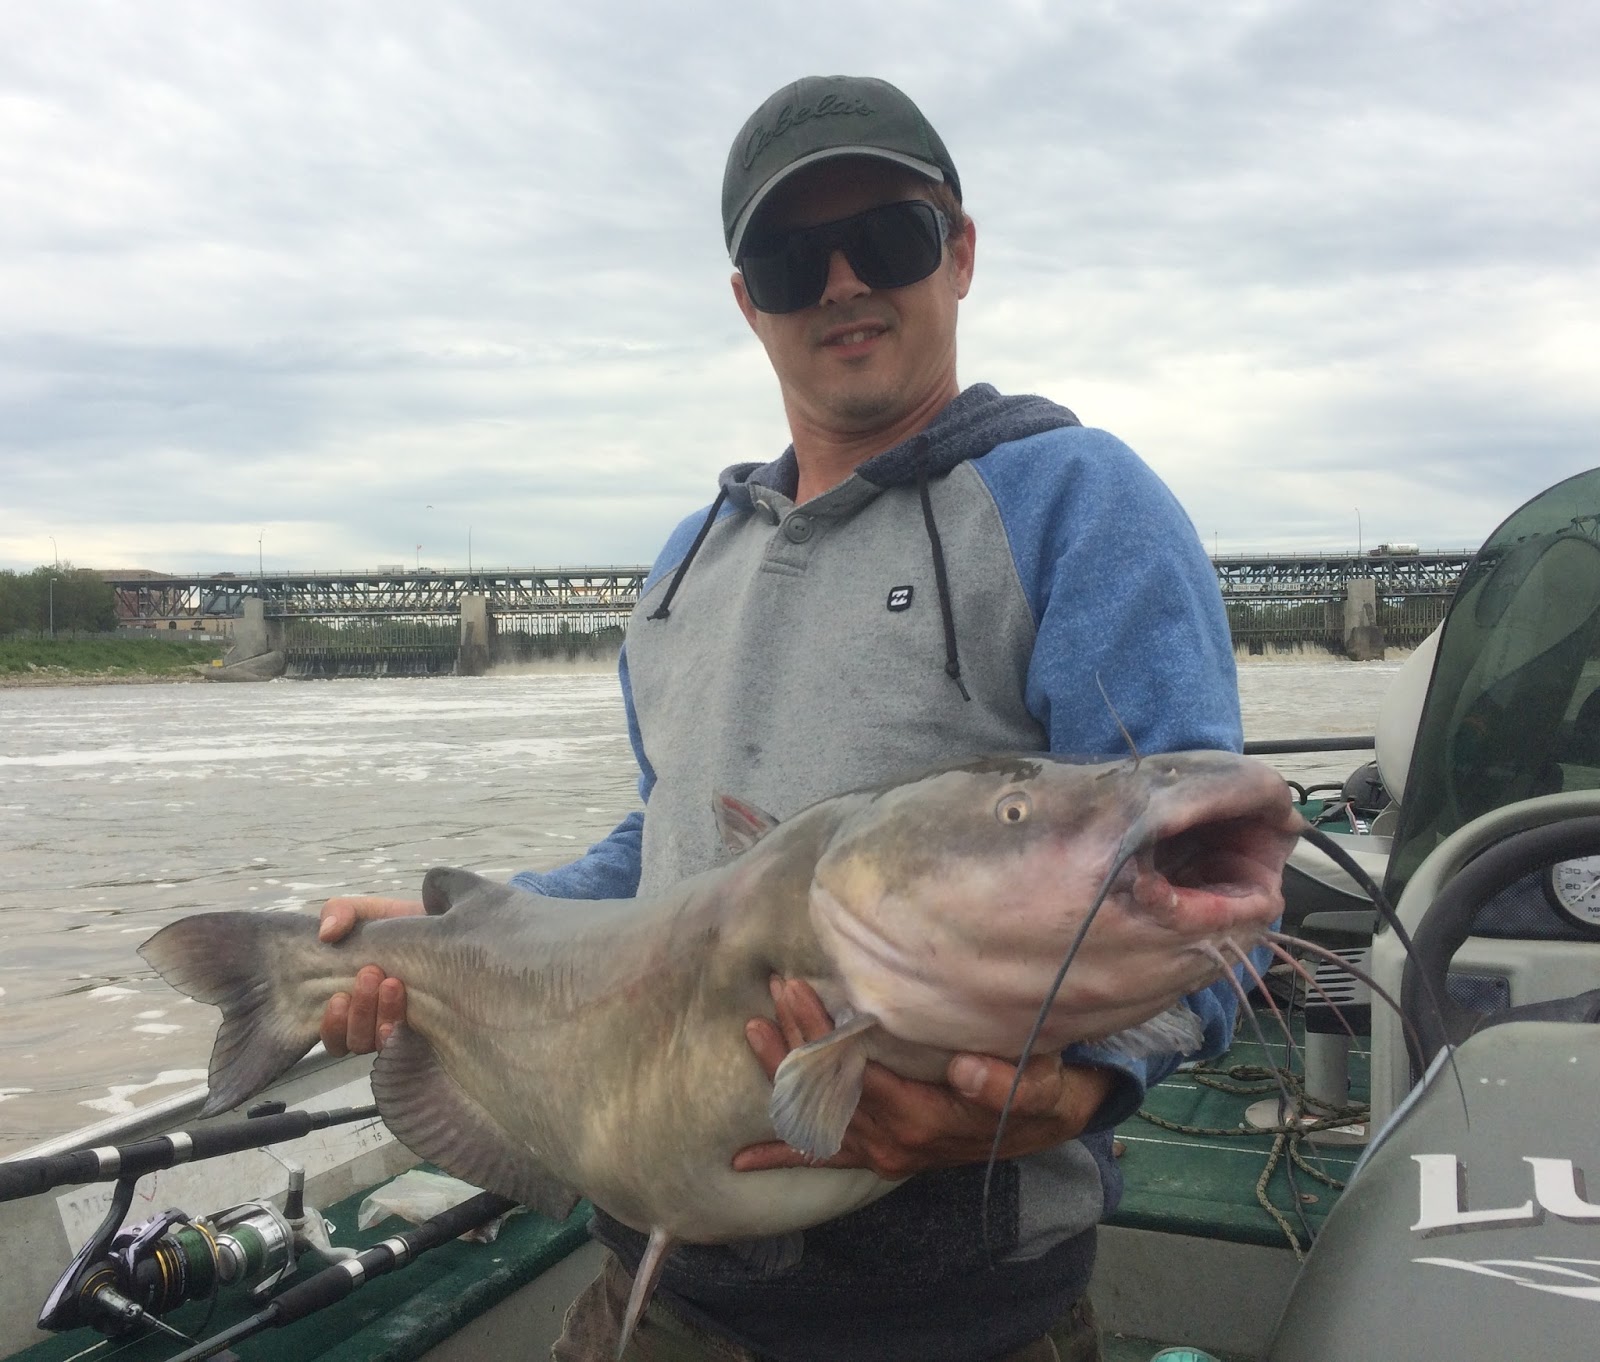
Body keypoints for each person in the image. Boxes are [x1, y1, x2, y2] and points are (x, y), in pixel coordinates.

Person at [318, 75, 1245, 1362]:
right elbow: (669, 844)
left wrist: (1066, 1093)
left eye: (894, 236)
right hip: (656, 1286)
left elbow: (1197, 884)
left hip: (958, 1321)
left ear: (961, 253)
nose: (843, 282)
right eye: (791, 256)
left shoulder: (1078, 504)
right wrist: (450, 931)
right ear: (748, 298)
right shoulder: (683, 567)